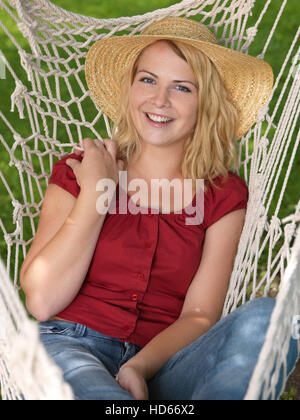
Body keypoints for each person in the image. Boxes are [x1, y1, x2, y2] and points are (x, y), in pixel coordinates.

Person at [19, 17, 298, 400]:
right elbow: (42, 300)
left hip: (168, 365)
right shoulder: (82, 169)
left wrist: (139, 366)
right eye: (148, 80)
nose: (160, 100)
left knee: (268, 318)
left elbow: (200, 315)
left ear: (206, 103)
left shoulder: (224, 195)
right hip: (70, 347)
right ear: (130, 88)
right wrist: (96, 194)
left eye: (182, 87)